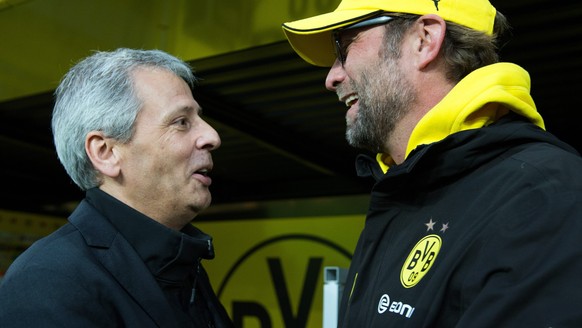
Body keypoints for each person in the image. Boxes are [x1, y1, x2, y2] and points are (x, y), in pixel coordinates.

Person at [283, 0, 582, 327]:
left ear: (424, 40)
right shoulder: (403, 186)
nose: (331, 77)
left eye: (343, 47)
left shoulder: (548, 194)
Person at [0, 48, 234, 327]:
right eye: (181, 122)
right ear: (106, 152)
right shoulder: (47, 282)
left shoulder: (182, 266)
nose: (212, 136)